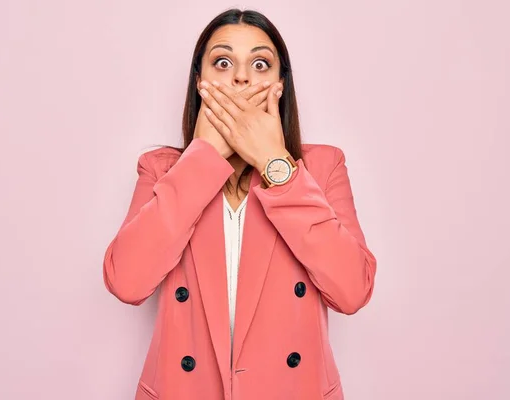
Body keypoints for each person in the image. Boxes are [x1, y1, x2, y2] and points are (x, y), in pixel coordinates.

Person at [103, 8, 377, 400]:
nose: (242, 77)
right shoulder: (162, 169)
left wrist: (275, 165)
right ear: (200, 82)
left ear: (280, 86)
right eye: (223, 61)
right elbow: (127, 281)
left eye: (260, 63)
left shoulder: (322, 166)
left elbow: (352, 291)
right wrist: (201, 160)